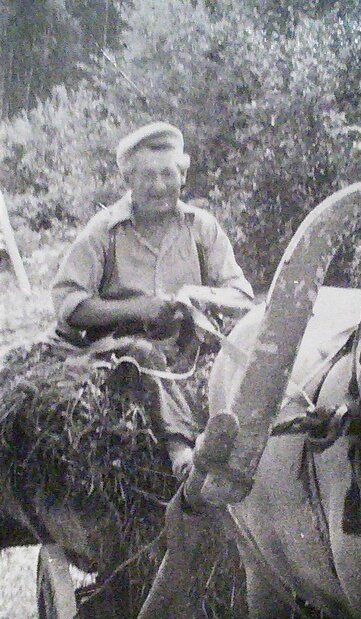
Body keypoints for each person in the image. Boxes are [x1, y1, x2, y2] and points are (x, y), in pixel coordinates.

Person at [51, 121, 254, 479]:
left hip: (189, 345)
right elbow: (68, 302)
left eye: (168, 175)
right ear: (129, 180)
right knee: (142, 352)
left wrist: (199, 297)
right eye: (147, 177)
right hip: (119, 348)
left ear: (182, 178)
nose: (159, 187)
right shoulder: (105, 230)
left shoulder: (201, 227)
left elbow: (241, 295)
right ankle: (181, 448)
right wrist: (138, 307)